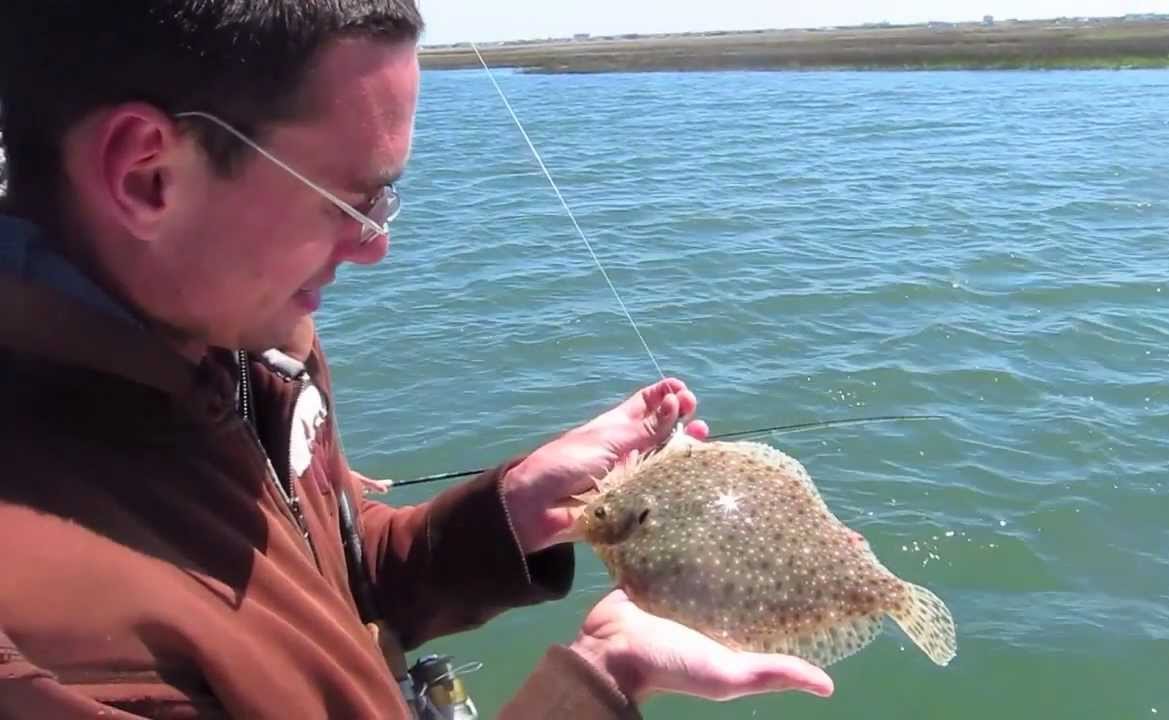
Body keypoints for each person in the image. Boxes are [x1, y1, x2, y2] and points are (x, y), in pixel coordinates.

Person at [0, 2, 833, 718]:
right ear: (147, 175)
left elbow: (319, 573)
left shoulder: (244, 337)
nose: (376, 244)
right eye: (353, 200)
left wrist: (510, 510)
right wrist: (605, 674)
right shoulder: (48, 654)